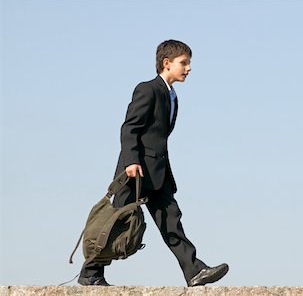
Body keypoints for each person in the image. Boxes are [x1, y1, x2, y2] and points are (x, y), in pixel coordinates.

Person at [77, 39, 229, 287]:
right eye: (184, 63)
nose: (188, 68)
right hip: (134, 172)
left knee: (171, 220)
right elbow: (130, 128)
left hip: (158, 173)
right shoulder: (147, 89)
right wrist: (131, 161)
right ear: (167, 63)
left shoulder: (172, 96)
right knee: (115, 223)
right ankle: (90, 273)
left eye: (189, 63)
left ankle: (194, 271)